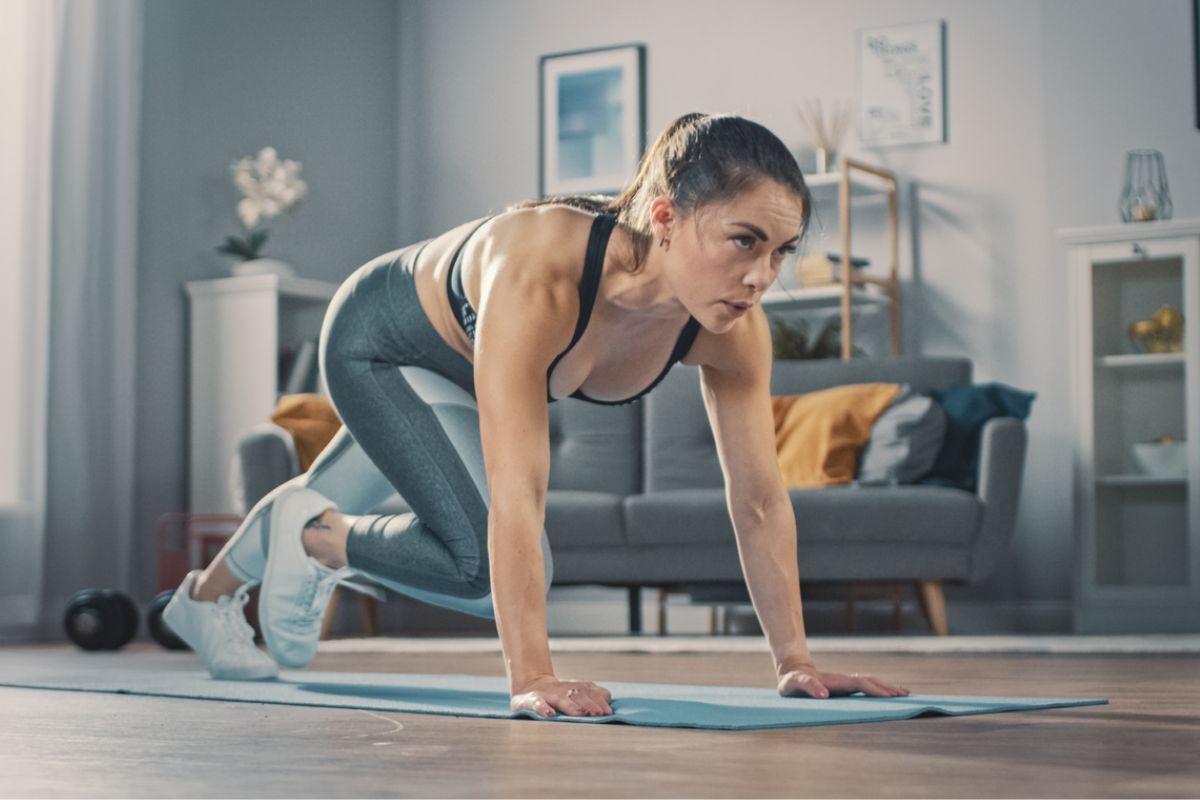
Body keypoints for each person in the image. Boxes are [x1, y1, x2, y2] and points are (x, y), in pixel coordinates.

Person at [162, 112, 910, 717]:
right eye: (744, 241)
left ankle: (202, 602)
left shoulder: (733, 331)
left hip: (451, 377)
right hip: (382, 346)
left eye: (780, 252)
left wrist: (795, 663)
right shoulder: (543, 274)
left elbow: (757, 500)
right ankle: (316, 539)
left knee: (407, 512)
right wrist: (533, 676)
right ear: (666, 218)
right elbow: (516, 489)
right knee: (487, 567)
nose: (761, 277)